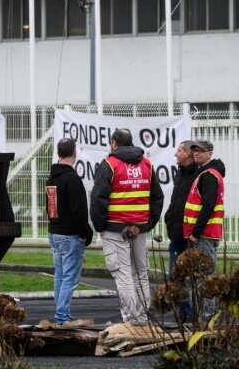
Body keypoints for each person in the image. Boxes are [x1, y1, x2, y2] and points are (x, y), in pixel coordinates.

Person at [90, 128, 164, 325]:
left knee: (123, 274)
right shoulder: (146, 164)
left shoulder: (109, 164)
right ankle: (141, 317)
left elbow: (98, 198)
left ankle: (131, 318)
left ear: (114, 143)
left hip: (115, 229)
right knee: (140, 273)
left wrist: (100, 226)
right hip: (139, 229)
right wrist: (148, 224)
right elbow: (157, 197)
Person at [46, 137, 94, 326]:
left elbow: (50, 207)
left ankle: (61, 315)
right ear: (75, 153)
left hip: (55, 232)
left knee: (59, 276)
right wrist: (85, 233)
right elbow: (79, 210)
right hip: (70, 235)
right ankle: (62, 317)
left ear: (58, 154)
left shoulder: (52, 178)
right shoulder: (72, 178)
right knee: (70, 278)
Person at [183, 140, 226, 322]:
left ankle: (209, 319)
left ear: (210, 153)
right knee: (202, 276)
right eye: (194, 151)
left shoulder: (209, 175)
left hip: (204, 235)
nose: (197, 154)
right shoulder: (204, 173)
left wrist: (195, 232)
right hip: (203, 234)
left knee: (206, 277)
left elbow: (208, 206)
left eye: (201, 151)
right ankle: (207, 316)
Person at [163, 140, 199, 279]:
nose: (175, 154)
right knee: (174, 278)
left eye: (179, 151)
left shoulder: (198, 174)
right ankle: (180, 302)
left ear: (187, 154)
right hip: (176, 232)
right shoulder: (180, 173)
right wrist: (169, 218)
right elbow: (175, 200)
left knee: (188, 278)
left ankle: (189, 302)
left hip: (190, 235)